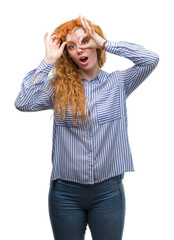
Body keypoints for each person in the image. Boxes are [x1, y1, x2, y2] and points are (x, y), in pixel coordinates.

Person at [14, 15, 159, 240]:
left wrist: (105, 43)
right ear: (67, 54)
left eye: (85, 41)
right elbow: (23, 102)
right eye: (72, 46)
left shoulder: (118, 83)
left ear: (94, 44)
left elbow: (150, 59)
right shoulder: (58, 88)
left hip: (108, 192)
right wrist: (48, 61)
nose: (80, 50)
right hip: (65, 194)